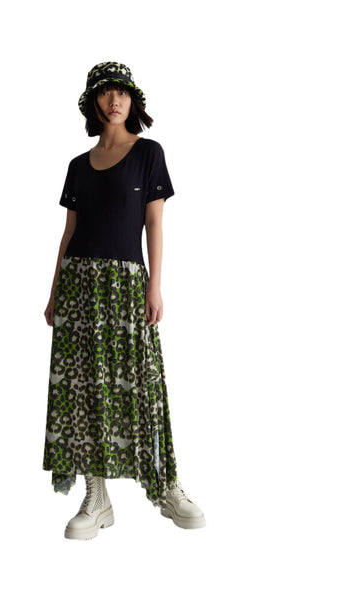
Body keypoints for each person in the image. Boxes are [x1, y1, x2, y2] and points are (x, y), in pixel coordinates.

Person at [42, 61, 206, 540]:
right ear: (92, 102)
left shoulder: (148, 153)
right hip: (78, 286)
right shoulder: (77, 165)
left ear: (133, 100)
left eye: (122, 92)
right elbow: (69, 232)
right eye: (105, 92)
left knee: (142, 384)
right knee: (84, 388)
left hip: (125, 283)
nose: (114, 100)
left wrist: (155, 284)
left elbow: (154, 223)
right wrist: (54, 291)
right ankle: (96, 496)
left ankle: (166, 486)